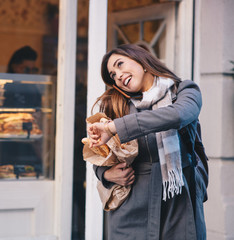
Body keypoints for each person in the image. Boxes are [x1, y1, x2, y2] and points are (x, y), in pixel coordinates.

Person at [87, 44, 206, 240]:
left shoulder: (184, 91)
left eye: (120, 64)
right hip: (132, 206)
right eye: (113, 75)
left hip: (179, 204)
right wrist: (106, 174)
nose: (118, 75)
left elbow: (177, 116)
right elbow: (100, 156)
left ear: (141, 60)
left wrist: (115, 127)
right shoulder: (115, 104)